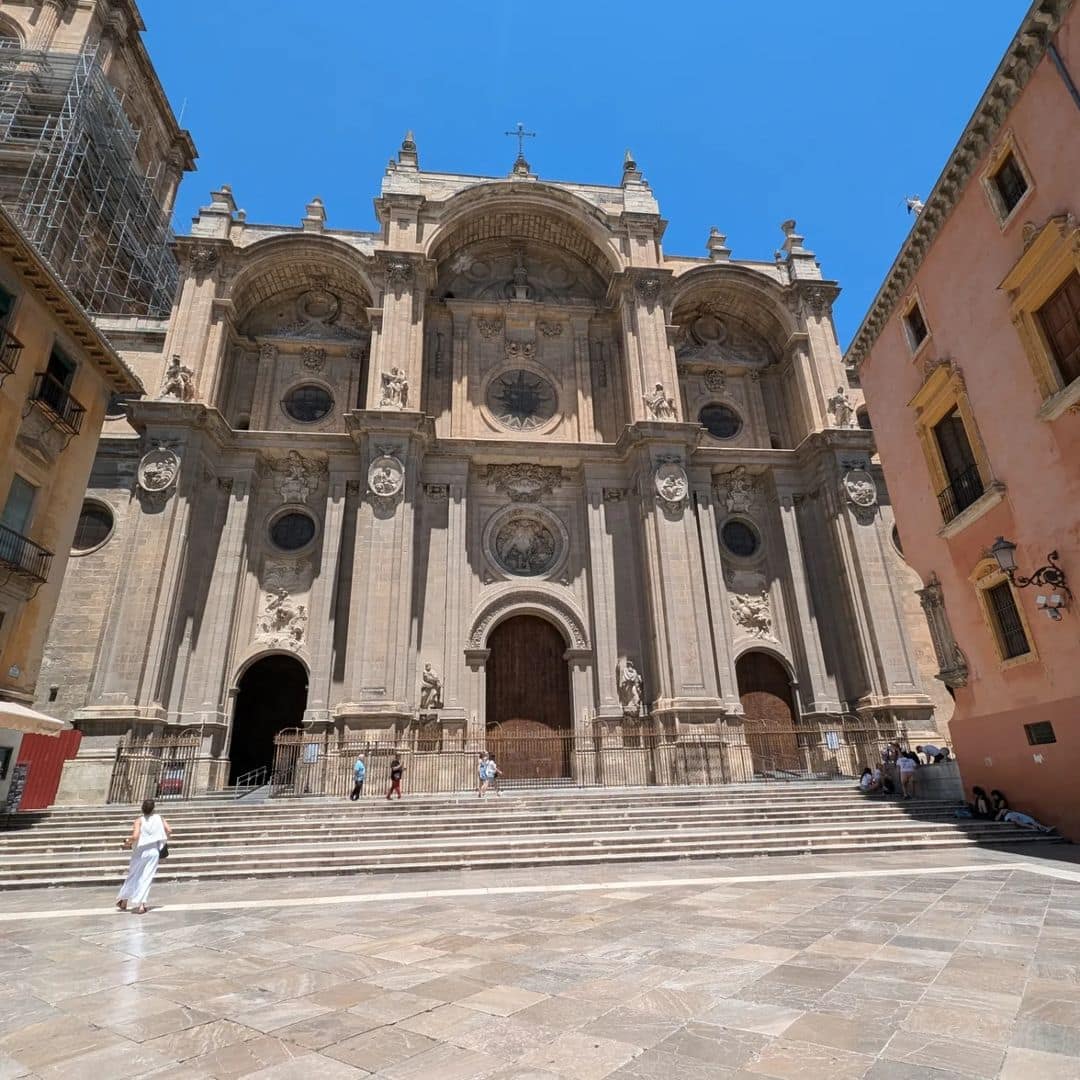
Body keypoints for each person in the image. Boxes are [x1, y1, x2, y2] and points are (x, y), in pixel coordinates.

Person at [116, 798, 171, 915]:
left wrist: (127, 841)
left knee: (133, 875)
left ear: (142, 808)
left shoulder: (139, 820)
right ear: (153, 808)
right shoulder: (159, 818)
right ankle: (141, 905)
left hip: (140, 852)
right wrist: (160, 839)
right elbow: (169, 830)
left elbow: (135, 836)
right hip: (153, 851)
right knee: (147, 877)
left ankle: (124, 901)